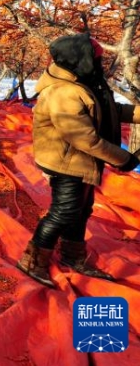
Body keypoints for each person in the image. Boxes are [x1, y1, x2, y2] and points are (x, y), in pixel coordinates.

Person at [16, 33, 140, 287]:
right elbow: (84, 139)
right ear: (80, 60)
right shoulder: (64, 92)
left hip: (79, 161)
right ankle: (31, 260)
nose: (100, 63)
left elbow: (111, 110)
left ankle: (73, 256)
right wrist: (124, 159)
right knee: (63, 212)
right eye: (95, 59)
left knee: (81, 210)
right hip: (65, 162)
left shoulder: (82, 82)